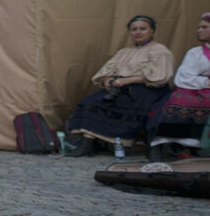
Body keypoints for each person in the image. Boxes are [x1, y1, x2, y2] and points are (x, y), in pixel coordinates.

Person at [65, 15, 175, 156]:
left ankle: (114, 142)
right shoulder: (125, 51)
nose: (138, 32)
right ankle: (88, 143)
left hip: (147, 90)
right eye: (134, 29)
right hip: (120, 88)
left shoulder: (160, 50)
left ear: (152, 31)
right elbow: (108, 70)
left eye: (143, 29)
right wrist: (108, 80)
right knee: (89, 103)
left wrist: (126, 81)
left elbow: (160, 76)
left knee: (119, 105)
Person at [148, 11, 210, 159]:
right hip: (196, 88)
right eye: (198, 27)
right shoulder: (195, 53)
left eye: (204, 27)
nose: (199, 30)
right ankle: (170, 144)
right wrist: (206, 82)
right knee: (180, 102)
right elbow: (184, 77)